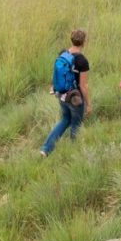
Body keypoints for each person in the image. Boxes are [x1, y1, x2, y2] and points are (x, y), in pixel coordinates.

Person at [40, 28, 91, 156]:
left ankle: (45, 149)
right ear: (84, 42)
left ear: (72, 39)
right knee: (76, 124)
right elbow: (83, 86)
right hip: (75, 98)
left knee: (65, 120)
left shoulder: (63, 54)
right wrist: (88, 104)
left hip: (62, 94)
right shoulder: (82, 61)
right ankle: (74, 153)